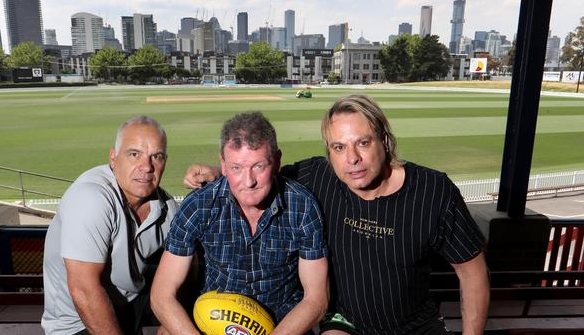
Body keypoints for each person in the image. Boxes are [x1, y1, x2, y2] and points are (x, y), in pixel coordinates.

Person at [184, 95, 490, 335]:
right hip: (344, 323)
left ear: (384, 140)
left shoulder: (433, 191)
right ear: (329, 152)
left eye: (363, 142)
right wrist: (219, 174)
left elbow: (472, 272)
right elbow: (259, 176)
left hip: (417, 325)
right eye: (339, 147)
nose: (352, 159)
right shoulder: (319, 176)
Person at [151, 111, 329, 335]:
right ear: (223, 166)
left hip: (281, 323)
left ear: (277, 162)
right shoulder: (199, 205)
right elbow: (161, 295)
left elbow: (317, 300)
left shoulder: (302, 206)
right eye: (236, 168)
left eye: (258, 166)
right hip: (213, 317)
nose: (249, 181)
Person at [42, 115, 177, 335]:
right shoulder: (91, 198)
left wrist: (172, 323)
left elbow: (188, 269)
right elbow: (84, 290)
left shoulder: (167, 207)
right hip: (78, 322)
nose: (146, 167)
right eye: (134, 154)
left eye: (157, 157)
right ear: (113, 158)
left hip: (132, 303)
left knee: (204, 305)